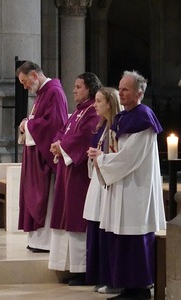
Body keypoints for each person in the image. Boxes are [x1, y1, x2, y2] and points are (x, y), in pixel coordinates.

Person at [88, 70, 166, 300]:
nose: (120, 93)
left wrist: (101, 160)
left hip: (136, 187)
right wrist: (101, 155)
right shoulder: (125, 117)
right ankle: (126, 285)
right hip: (122, 184)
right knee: (121, 235)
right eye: (120, 88)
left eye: (125, 89)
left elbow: (130, 157)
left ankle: (140, 288)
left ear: (139, 93)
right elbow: (117, 150)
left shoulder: (144, 118)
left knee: (134, 234)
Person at [48, 72, 102, 285]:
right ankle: (70, 266)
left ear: (89, 88)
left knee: (77, 218)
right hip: (67, 171)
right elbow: (62, 131)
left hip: (79, 175)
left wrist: (62, 147)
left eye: (78, 86)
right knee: (65, 216)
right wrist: (56, 144)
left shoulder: (92, 112)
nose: (74, 90)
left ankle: (83, 270)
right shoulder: (78, 112)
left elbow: (84, 137)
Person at [16, 61, 68, 252]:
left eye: (25, 81)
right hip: (36, 157)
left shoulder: (53, 91)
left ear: (34, 76)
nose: (24, 86)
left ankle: (45, 243)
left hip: (45, 159)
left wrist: (28, 125)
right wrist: (28, 123)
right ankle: (37, 241)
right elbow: (38, 121)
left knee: (46, 199)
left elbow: (53, 124)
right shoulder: (43, 94)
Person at [83, 87, 123, 295]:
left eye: (98, 101)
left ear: (109, 103)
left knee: (105, 229)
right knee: (96, 227)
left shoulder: (117, 126)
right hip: (98, 182)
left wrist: (100, 157)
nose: (95, 104)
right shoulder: (102, 126)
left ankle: (109, 277)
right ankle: (100, 275)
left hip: (109, 184)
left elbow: (116, 155)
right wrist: (94, 157)